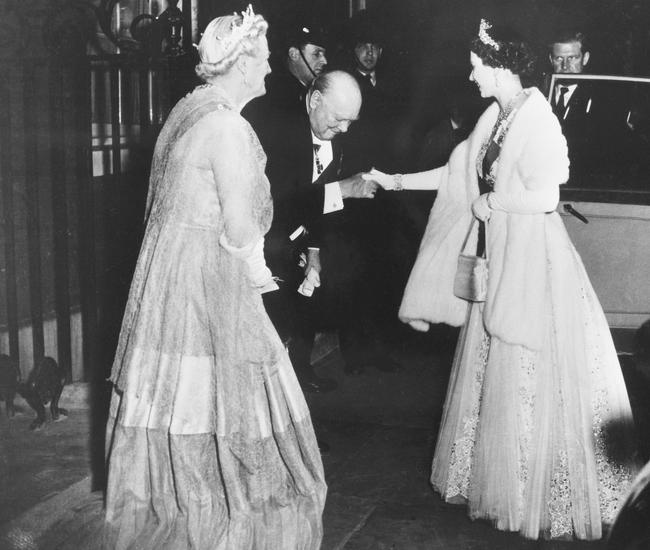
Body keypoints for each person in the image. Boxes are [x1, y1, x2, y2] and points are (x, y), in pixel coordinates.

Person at [367, 19, 638, 540]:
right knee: (498, 370)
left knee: (535, 372)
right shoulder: (494, 116)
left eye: (476, 67)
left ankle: (540, 491)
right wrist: (392, 179)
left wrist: (493, 200)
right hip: (502, 258)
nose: (471, 76)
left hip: (537, 262)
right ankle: (507, 482)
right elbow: (455, 175)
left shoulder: (539, 121)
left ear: (501, 66)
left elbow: (545, 199)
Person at [103, 8, 326, 549]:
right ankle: (218, 510)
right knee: (230, 388)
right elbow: (241, 228)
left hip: (175, 271)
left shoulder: (194, 111)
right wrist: (261, 283)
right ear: (243, 63)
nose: (272, 65)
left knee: (186, 391)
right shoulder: (227, 126)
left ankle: (181, 497)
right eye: (265, 56)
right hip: (206, 273)